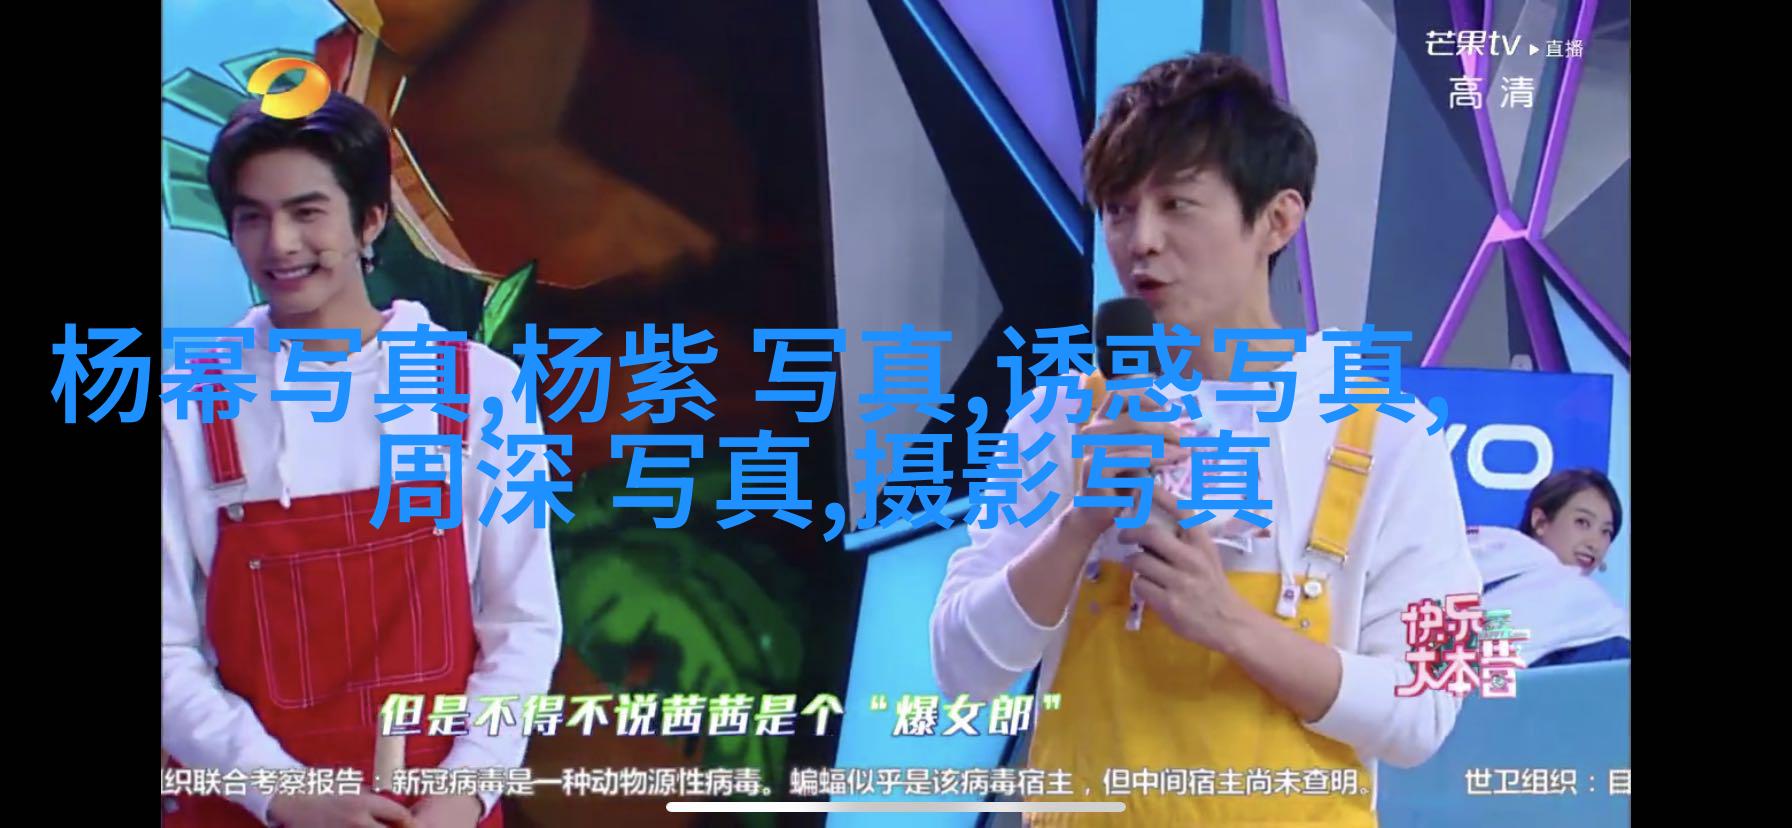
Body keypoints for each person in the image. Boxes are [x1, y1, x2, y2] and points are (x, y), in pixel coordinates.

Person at [929, 53, 1481, 826]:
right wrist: (1077, 524)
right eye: (1119, 209)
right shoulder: (1060, 417)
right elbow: (961, 669)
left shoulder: (1393, 435)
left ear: (1279, 219)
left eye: (1177, 205)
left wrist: (1229, 624)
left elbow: (1427, 709)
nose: (1141, 241)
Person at [161, 91, 563, 828]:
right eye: (252, 217)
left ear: (371, 219)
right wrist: (286, 794)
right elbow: (166, 650)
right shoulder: (185, 407)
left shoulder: (482, 390)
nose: (280, 243)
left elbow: (523, 624)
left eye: (307, 212)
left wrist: (467, 788)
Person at [1471, 469, 1629, 666]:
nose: (1594, 543)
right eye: (1582, 522)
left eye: (1606, 532)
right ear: (1540, 522)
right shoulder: (1581, 597)